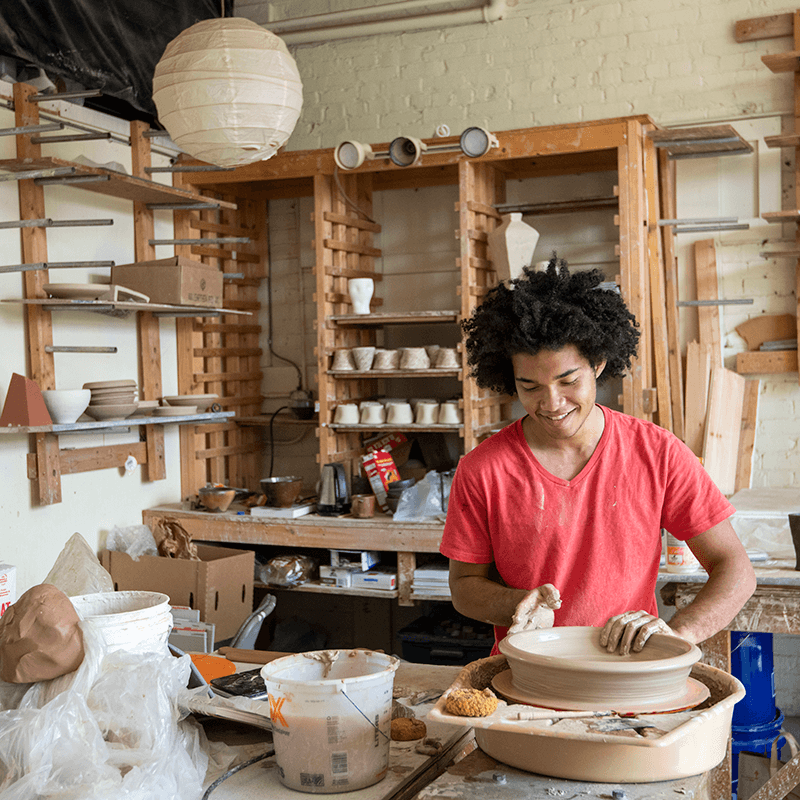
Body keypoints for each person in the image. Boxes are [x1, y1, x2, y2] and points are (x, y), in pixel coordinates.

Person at [440, 258, 756, 656]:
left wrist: (680, 633)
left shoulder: (656, 452)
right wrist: (516, 603)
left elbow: (736, 569)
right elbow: (464, 587)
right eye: (530, 386)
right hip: (527, 681)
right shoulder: (482, 469)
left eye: (568, 381)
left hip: (627, 679)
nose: (552, 403)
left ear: (599, 363)